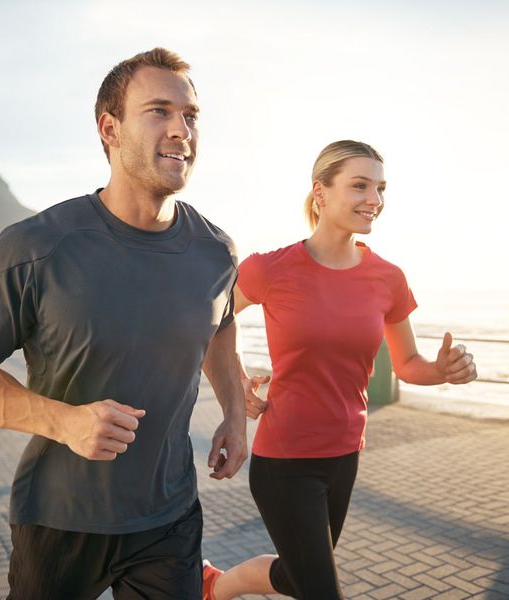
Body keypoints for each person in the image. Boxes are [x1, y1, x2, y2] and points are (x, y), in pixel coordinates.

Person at [0, 48, 248, 599]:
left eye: (191, 115)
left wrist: (236, 415)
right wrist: (64, 423)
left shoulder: (216, 252)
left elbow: (220, 328)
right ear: (110, 128)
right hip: (59, 520)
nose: (181, 129)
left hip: (170, 517)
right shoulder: (36, 248)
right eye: (159, 111)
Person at [202, 140, 478, 600]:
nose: (375, 199)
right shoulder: (269, 269)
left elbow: (409, 364)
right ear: (321, 192)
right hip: (285, 460)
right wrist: (237, 382)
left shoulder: (388, 279)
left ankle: (215, 585)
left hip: (345, 455)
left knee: (298, 577)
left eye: (380, 188)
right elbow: (212, 321)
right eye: (360, 185)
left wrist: (445, 370)